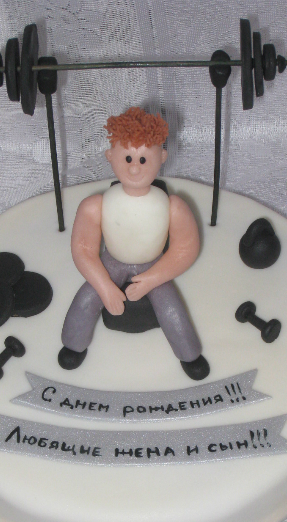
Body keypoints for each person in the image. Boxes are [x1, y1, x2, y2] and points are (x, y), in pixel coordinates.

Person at [58, 107, 210, 380]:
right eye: (128, 157)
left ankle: (190, 355)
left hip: (154, 265)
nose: (134, 167)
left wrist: (151, 279)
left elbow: (185, 249)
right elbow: (83, 250)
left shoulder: (173, 207)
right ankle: (73, 345)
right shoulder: (95, 206)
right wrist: (105, 287)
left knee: (172, 309)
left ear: (162, 158)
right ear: (110, 156)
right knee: (85, 300)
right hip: (111, 263)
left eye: (143, 159)